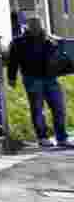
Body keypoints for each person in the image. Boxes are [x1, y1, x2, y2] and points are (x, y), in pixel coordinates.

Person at [7, 15, 71, 149]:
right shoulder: (19, 42)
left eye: (39, 24)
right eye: (33, 24)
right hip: (32, 78)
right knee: (37, 109)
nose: (36, 27)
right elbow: (12, 61)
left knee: (59, 108)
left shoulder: (50, 40)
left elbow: (60, 58)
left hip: (50, 78)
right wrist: (11, 78)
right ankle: (43, 137)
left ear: (42, 25)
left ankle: (62, 138)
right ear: (28, 27)